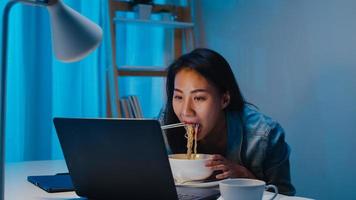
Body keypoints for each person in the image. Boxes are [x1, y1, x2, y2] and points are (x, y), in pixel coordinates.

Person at [161, 48, 296, 196]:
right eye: (179, 97)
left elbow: (285, 196)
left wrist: (245, 177)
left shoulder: (264, 134)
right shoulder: (162, 127)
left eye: (199, 98)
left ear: (224, 99)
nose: (186, 111)